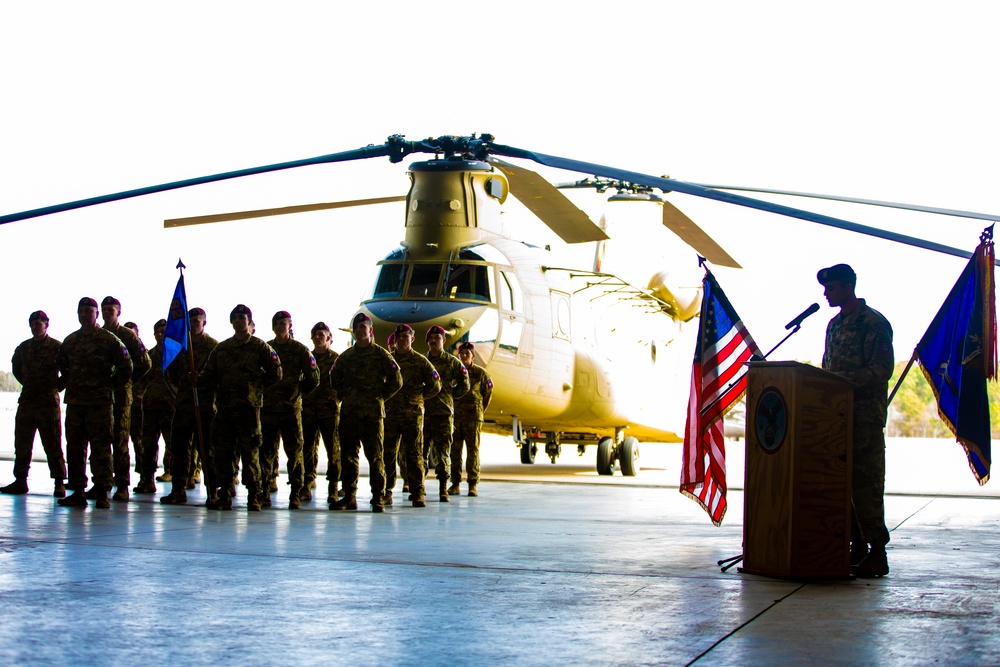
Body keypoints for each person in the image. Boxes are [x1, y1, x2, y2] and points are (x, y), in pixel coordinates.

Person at [818, 263, 894, 578]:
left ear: (849, 287)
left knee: (866, 485)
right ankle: (855, 547)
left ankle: (878, 551)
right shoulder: (834, 326)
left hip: (863, 418)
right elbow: (824, 368)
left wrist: (839, 380)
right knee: (841, 484)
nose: (825, 293)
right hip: (837, 418)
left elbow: (881, 370)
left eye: (831, 288)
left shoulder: (872, 323)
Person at [198, 304, 281, 511]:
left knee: (250, 454)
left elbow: (276, 372)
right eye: (234, 318)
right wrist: (197, 379)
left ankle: (254, 495)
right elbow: (208, 375)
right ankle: (225, 493)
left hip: (248, 411)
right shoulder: (222, 348)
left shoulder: (259, 347)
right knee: (223, 455)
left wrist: (257, 388)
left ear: (249, 322)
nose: (238, 321)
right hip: (225, 410)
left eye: (242, 318)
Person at [56, 298, 132, 508]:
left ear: (96, 314)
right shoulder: (70, 341)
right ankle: (78, 491)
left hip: (100, 404)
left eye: (89, 311)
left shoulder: (108, 340)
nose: (85, 315)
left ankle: (102, 492)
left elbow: (126, 365)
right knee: (75, 448)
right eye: (81, 311)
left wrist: (111, 385)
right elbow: (62, 364)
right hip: (76, 403)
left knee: (101, 449)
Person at [330, 313, 402, 512]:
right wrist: (347, 396)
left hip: (372, 416)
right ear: (353, 331)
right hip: (349, 415)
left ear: (371, 331)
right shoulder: (345, 357)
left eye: (364, 327)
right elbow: (334, 380)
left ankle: (378, 497)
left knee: (375, 457)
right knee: (348, 456)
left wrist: (379, 398)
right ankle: (350, 496)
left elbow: (397, 380)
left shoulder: (381, 355)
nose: (360, 330)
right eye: (357, 327)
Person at [1, 311, 67, 497]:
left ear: (46, 325)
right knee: (22, 443)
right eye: (33, 323)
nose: (36, 326)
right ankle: (20, 480)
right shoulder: (23, 348)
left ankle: (59, 482)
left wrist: (55, 387)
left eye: (39, 323)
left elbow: (68, 371)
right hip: (28, 401)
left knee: (53, 443)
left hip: (48, 403)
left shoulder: (57, 347)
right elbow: (16, 370)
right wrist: (30, 385)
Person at [260, 311, 319, 510]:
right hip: (268, 410)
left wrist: (298, 393)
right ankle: (265, 491)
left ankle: (296, 492)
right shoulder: (266, 349)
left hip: (290, 410)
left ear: (290, 326)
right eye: (276, 323)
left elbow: (313, 377)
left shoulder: (299, 350)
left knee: (295, 453)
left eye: (283, 323)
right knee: (266, 452)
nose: (280, 326)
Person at [161, 307, 218, 506]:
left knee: (208, 451)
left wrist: (201, 381)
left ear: (204, 323)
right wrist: (184, 387)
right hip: (184, 405)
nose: (194, 324)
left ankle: (213, 492)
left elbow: (219, 376)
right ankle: (178, 490)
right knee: (179, 450)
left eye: (197, 321)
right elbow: (170, 373)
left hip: (204, 407)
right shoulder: (181, 347)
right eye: (191, 320)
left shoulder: (214, 347)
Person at [98, 296, 151, 502]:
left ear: (118, 312)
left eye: (112, 309)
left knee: (120, 441)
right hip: (99, 398)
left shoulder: (127, 335)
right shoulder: (97, 334)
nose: (108, 312)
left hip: (120, 398)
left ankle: (122, 485)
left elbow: (145, 363)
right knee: (100, 442)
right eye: (105, 309)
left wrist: (127, 382)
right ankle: (102, 482)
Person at [384, 324, 441, 508]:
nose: (402, 339)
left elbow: (436, 385)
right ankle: (386, 491)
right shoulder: (389, 360)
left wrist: (420, 398)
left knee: (414, 454)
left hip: (412, 415)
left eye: (406, 336)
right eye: (399, 336)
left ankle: (417, 492)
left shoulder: (420, 361)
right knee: (388, 454)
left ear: (412, 339)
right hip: (391, 415)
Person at [423, 325, 469, 502]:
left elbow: (464, 384)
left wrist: (450, 397)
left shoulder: (452, 362)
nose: (434, 340)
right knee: (420, 452)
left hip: (443, 414)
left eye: (438, 338)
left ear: (444, 340)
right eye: (431, 338)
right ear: (428, 341)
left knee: (443, 453)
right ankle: (419, 487)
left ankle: (443, 488)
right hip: (424, 413)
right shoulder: (422, 361)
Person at [133, 319, 176, 494]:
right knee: (148, 446)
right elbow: (139, 380)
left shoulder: (176, 356)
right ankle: (147, 480)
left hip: (170, 407)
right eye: (158, 331)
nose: (161, 334)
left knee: (174, 447)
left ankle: (178, 483)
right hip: (150, 407)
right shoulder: (148, 356)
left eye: (164, 331)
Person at [302, 322, 340, 503]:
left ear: (329, 338)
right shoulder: (307, 359)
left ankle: (333, 487)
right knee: (307, 449)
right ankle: (307, 484)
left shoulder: (337, 360)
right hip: (309, 410)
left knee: (333, 449)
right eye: (315, 335)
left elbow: (345, 383)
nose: (318, 338)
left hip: (329, 411)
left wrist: (336, 400)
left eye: (321, 334)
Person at [450, 342, 493, 497]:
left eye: (468, 354)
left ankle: (472, 484)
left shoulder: (481, 374)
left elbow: (487, 395)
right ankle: (455, 484)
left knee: (472, 451)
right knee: (454, 451)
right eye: (462, 354)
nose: (464, 356)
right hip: (456, 419)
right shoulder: (454, 373)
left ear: (473, 356)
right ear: (458, 355)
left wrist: (479, 411)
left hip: (473, 419)